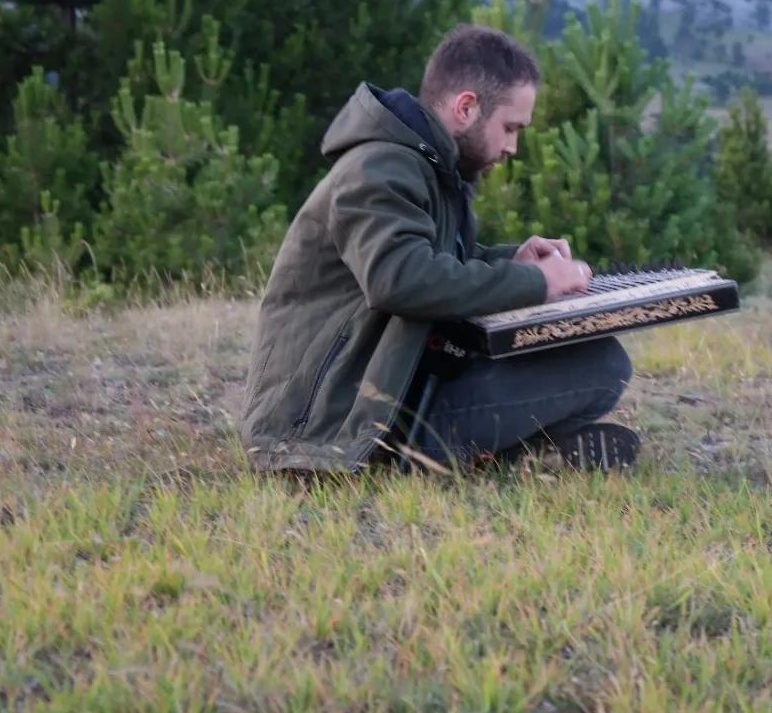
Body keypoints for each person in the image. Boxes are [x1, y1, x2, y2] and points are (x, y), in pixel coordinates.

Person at [238, 24, 641, 475]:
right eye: (510, 128)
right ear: (466, 106)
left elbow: (438, 260)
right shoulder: (378, 166)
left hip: (395, 383)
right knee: (598, 367)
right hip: (331, 419)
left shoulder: (429, 164)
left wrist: (510, 261)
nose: (513, 146)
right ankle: (493, 452)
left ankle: (521, 448)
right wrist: (537, 282)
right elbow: (400, 279)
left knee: (599, 358)